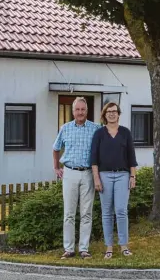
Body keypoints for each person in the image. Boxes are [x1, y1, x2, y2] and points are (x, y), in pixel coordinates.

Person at [53, 97, 100, 259]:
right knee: (69, 213)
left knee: (86, 213)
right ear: (73, 111)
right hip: (70, 173)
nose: (80, 112)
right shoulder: (65, 128)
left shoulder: (96, 128)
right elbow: (56, 148)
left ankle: (84, 249)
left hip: (88, 173)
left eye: (83, 109)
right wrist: (56, 168)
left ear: (87, 111)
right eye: (77, 109)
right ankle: (69, 249)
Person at [91, 102, 137, 259]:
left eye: (114, 111)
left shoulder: (125, 133)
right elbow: (94, 159)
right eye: (108, 111)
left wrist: (133, 176)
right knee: (107, 213)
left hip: (123, 176)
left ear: (118, 114)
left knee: (121, 211)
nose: (112, 114)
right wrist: (96, 178)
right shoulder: (99, 134)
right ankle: (109, 247)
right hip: (104, 176)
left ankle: (124, 246)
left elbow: (132, 157)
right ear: (104, 115)